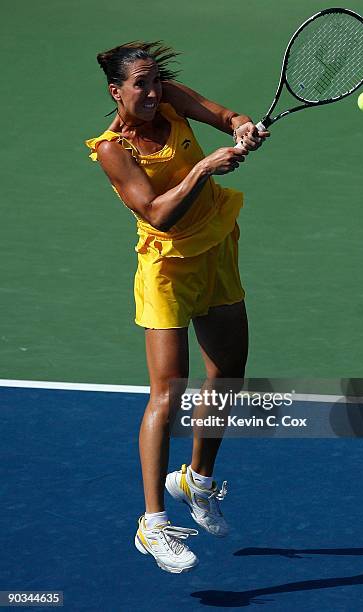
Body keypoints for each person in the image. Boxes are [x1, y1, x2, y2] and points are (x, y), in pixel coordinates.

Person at [85, 41, 269, 574]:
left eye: (154, 80)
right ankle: (154, 522)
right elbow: (156, 212)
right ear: (115, 92)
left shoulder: (171, 101)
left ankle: (197, 479)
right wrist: (204, 167)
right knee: (169, 391)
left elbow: (225, 113)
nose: (150, 92)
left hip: (215, 249)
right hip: (166, 270)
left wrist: (239, 127)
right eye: (138, 84)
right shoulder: (112, 149)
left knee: (228, 372)